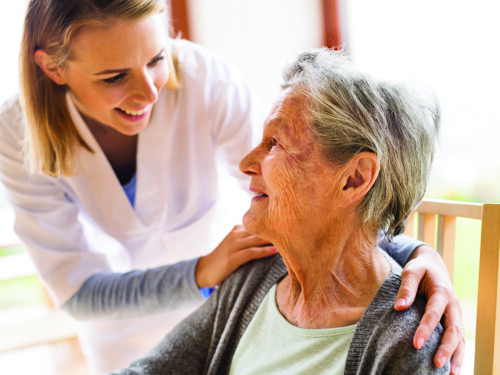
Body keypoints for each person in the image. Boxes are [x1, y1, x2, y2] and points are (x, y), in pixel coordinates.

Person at [0, 1, 463, 373]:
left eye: (157, 58)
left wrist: (418, 254)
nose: (150, 91)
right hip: (150, 327)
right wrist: (203, 274)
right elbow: (80, 292)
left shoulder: (205, 82)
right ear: (54, 69)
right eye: (115, 77)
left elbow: (321, 196)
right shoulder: (15, 134)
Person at [110, 48, 451, 374]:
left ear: (354, 179)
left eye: (275, 143)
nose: (245, 164)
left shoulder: (409, 341)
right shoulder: (254, 274)